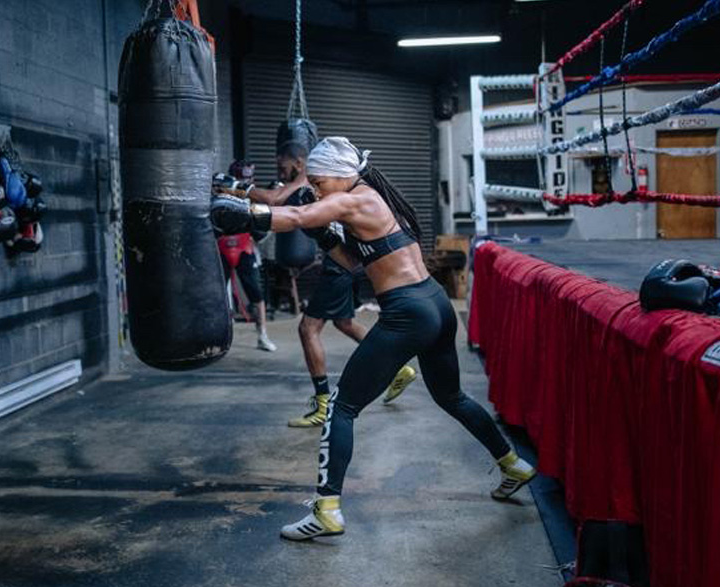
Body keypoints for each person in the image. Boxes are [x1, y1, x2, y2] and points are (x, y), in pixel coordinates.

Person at [211, 136, 536, 540]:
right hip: (435, 304)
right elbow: (351, 264)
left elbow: (294, 217)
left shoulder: (353, 199)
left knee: (341, 407)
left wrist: (247, 213)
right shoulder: (371, 199)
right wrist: (325, 237)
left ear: (340, 175)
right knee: (451, 397)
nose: (314, 188)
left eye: (318, 180)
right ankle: (512, 464)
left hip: (407, 312)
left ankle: (327, 510)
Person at [243, 143, 417, 428]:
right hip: (344, 261)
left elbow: (284, 206)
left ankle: (322, 403)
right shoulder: (326, 183)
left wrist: (242, 198)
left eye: (283, 166)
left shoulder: (325, 181)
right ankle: (400, 367)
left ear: (301, 163)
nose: (316, 189)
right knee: (344, 323)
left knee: (307, 328)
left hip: (340, 266)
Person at [217, 161, 276, 351]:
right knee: (218, 295)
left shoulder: (254, 198)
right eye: (241, 179)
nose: (245, 182)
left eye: (248, 179)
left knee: (256, 294)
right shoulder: (219, 194)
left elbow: (262, 231)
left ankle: (262, 335)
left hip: (244, 247)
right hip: (221, 246)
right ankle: (220, 336)